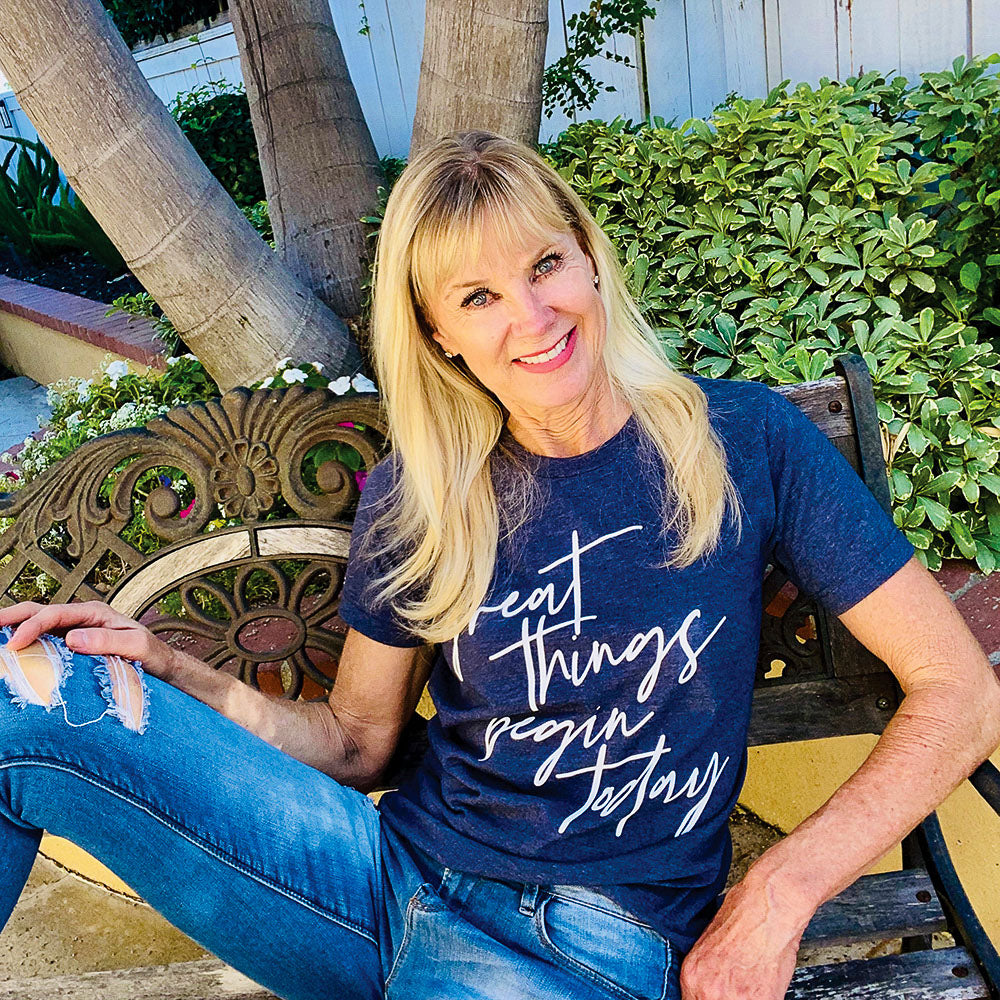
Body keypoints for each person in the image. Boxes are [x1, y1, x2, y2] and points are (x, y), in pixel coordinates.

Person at [0, 130, 998, 1000]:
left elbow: (959, 692)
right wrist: (184, 671)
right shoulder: (424, 491)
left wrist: (780, 889)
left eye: (544, 265)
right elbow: (358, 745)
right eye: (478, 295)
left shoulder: (745, 442)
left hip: (583, 940)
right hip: (374, 876)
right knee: (19, 697)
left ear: (590, 261)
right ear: (439, 333)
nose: (529, 315)